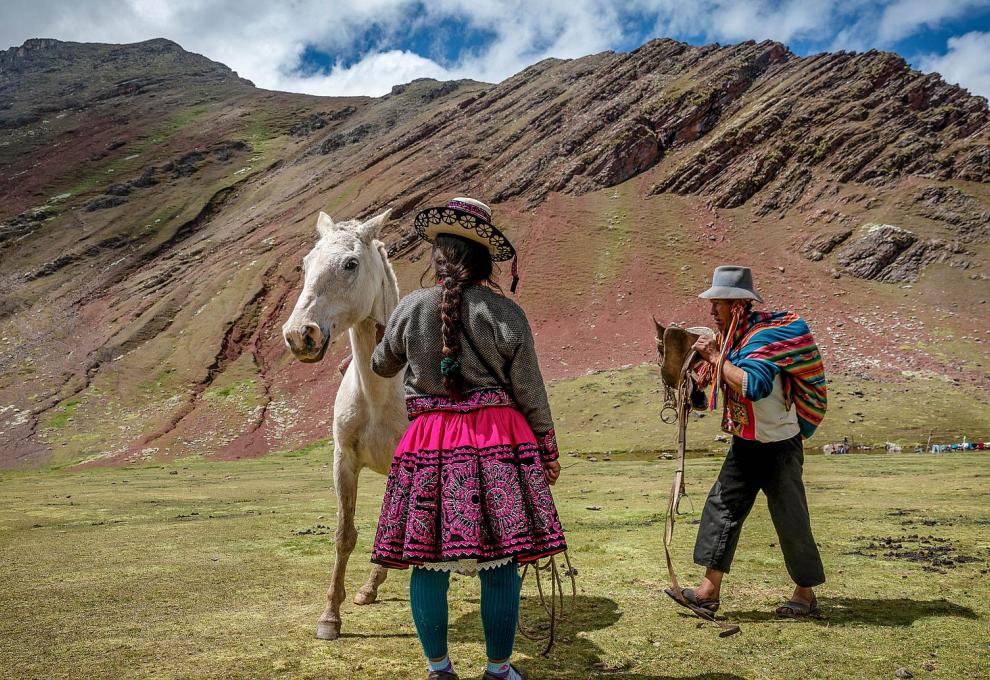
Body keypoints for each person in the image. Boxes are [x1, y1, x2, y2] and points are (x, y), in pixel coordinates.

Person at [370, 197, 566, 680]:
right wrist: (548, 450)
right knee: (500, 558)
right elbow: (530, 391)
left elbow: (382, 365)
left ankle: (439, 668)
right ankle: (498, 670)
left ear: (439, 256)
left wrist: (388, 337)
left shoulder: (412, 308)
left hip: (430, 442)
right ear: (483, 259)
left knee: (427, 557)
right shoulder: (505, 313)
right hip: (498, 441)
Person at [671, 265, 828, 619]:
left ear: (738, 306)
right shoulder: (733, 340)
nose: (712, 311)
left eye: (719, 304)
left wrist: (714, 357)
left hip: (779, 445)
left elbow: (752, 385)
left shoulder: (762, 338)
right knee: (721, 508)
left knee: (790, 519)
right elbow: (716, 381)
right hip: (745, 442)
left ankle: (805, 595)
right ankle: (708, 593)